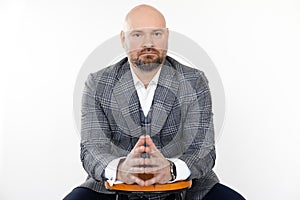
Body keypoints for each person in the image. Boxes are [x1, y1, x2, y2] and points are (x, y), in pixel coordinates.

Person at [64, 4, 245, 200]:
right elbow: (92, 149)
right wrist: (121, 169)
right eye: (137, 35)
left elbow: (204, 150)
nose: (148, 43)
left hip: (186, 189)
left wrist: (171, 169)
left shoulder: (194, 81)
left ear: (167, 37)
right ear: (123, 39)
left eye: (156, 34)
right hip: (113, 189)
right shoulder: (97, 84)